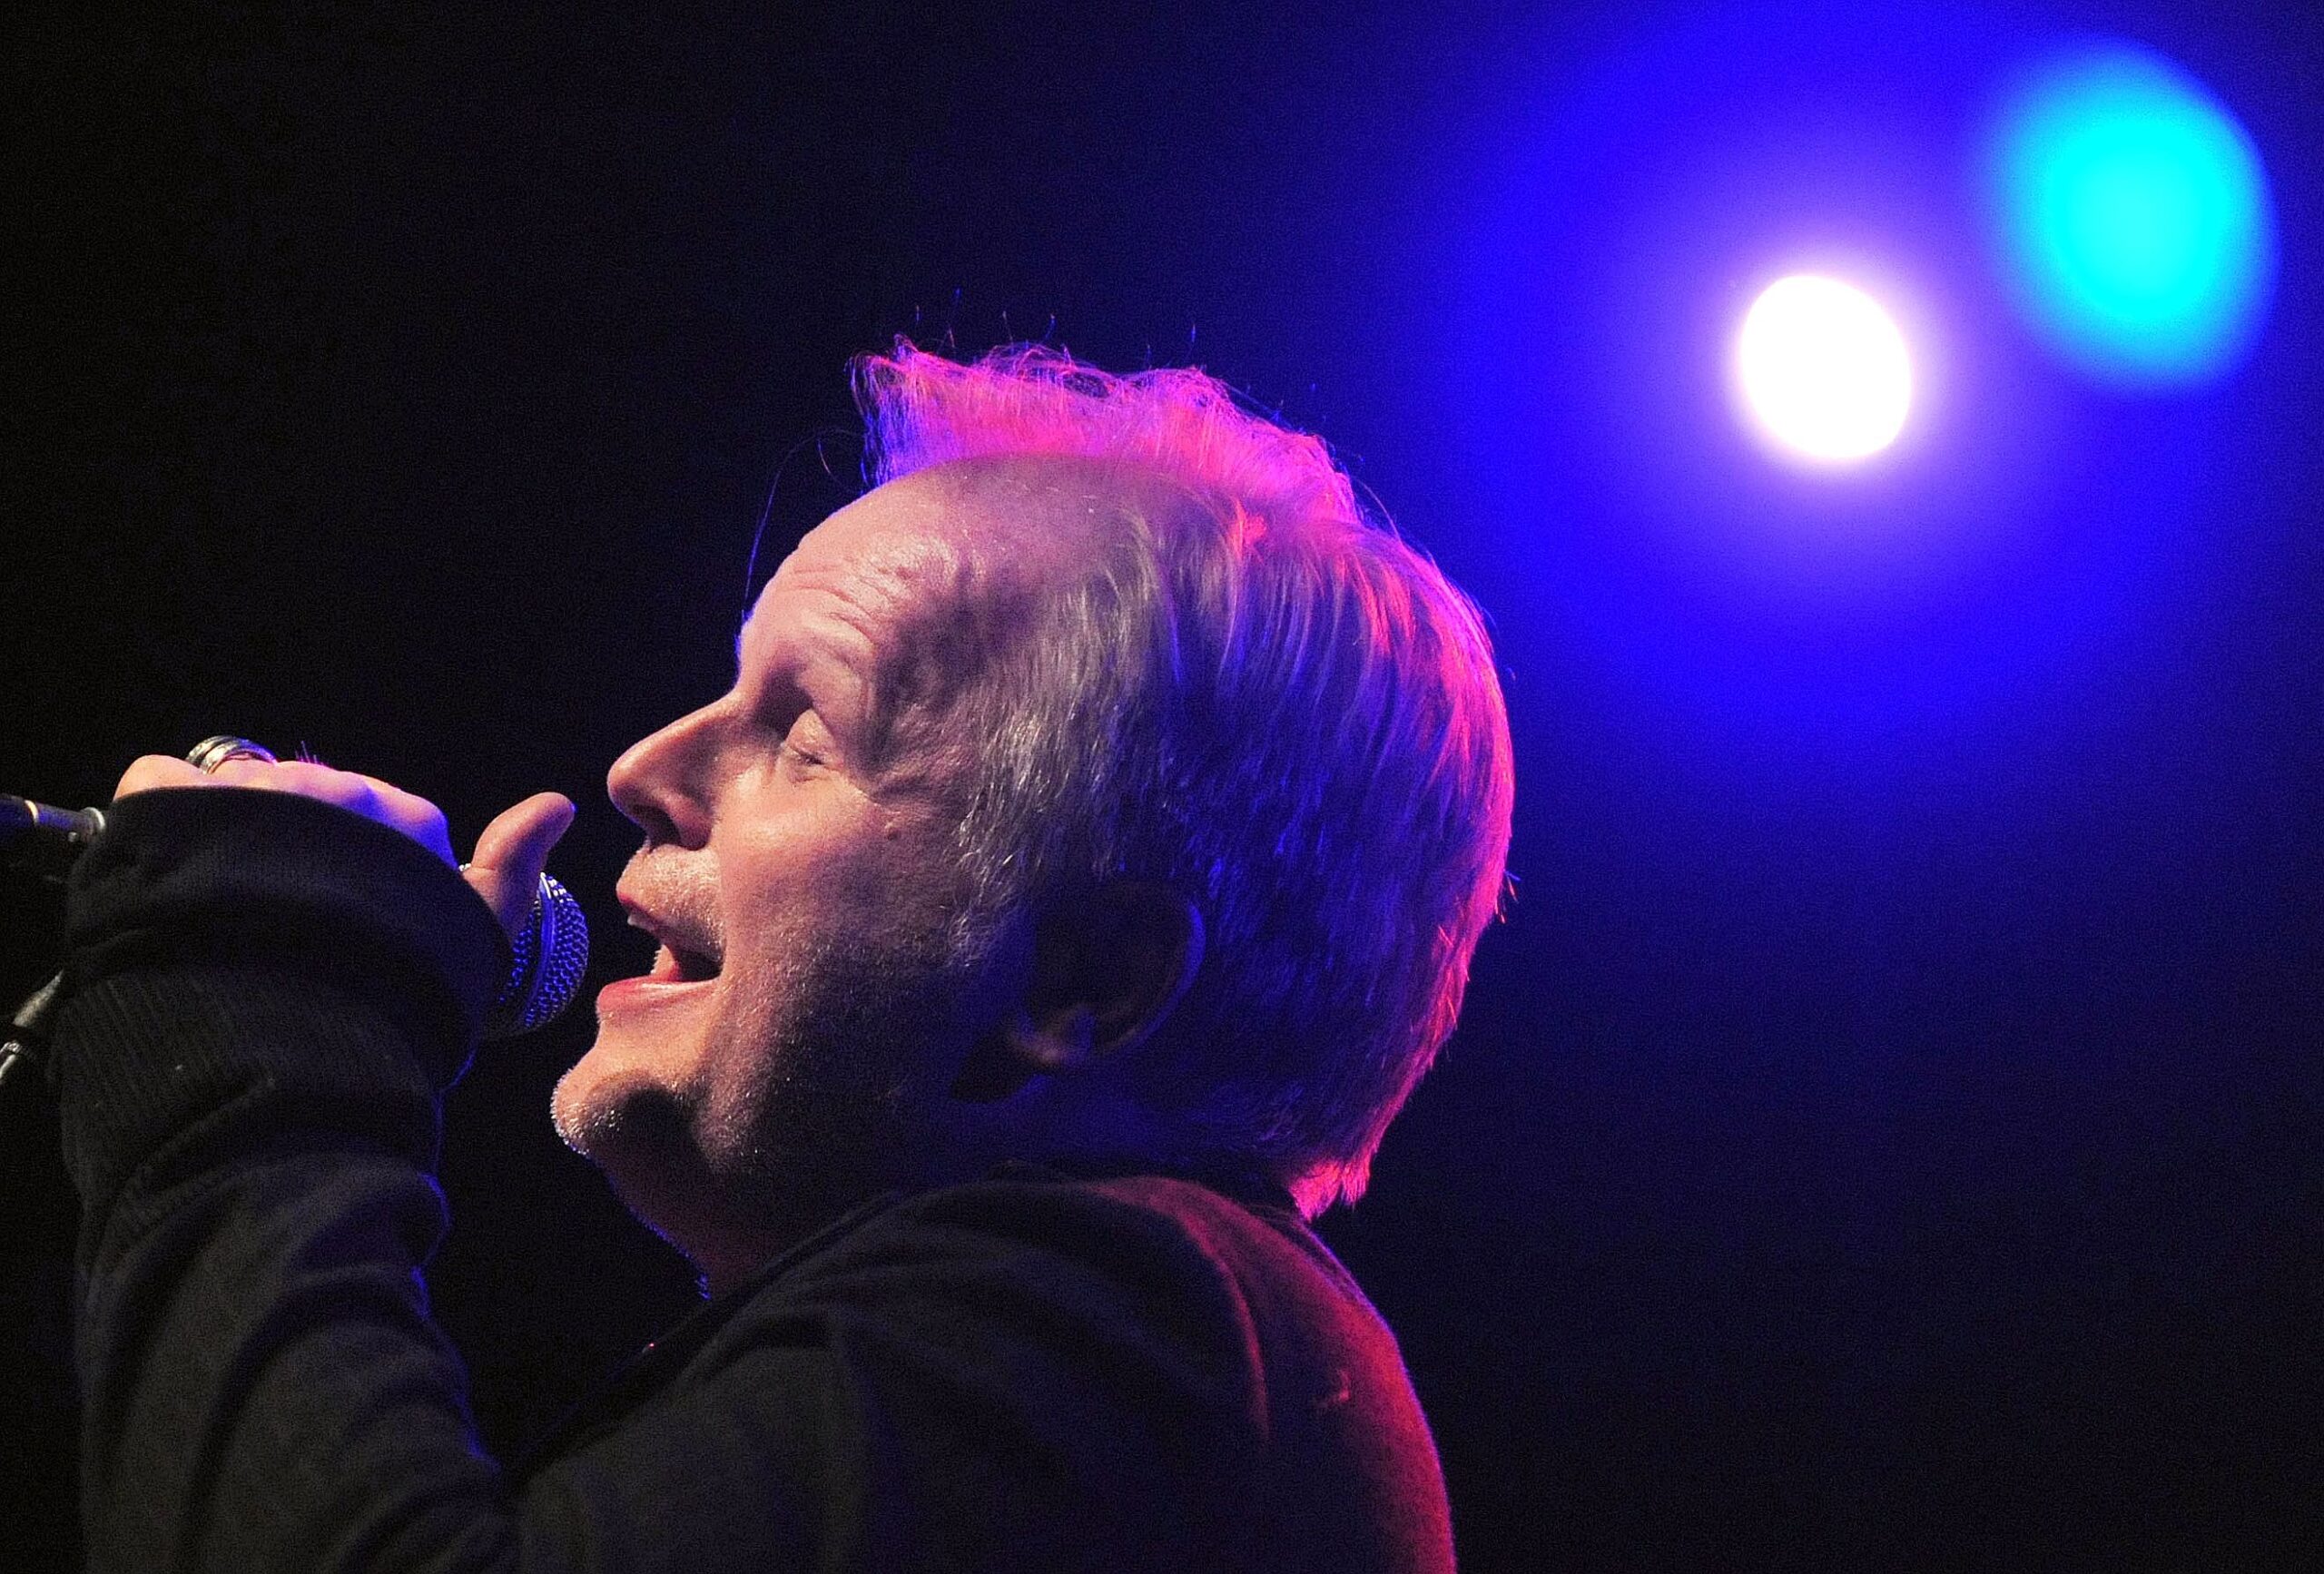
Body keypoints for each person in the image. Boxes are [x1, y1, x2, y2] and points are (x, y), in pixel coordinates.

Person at [54, 341, 1513, 1571]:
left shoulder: (1147, 1326)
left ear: (1083, 979)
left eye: (805, 736)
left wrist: (256, 1020)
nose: (643, 765)